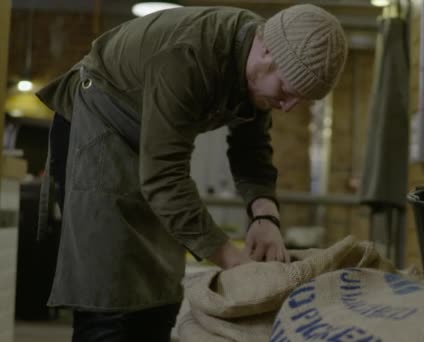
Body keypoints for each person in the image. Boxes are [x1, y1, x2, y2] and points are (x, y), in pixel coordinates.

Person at [35, 4, 347, 342]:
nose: (288, 107)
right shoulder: (188, 54)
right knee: (109, 303)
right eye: (287, 92)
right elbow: (163, 177)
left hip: (148, 147)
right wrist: (233, 261)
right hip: (97, 129)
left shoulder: (260, 58)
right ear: (265, 50)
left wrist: (265, 217)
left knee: (158, 294)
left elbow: (251, 146)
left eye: (300, 100)